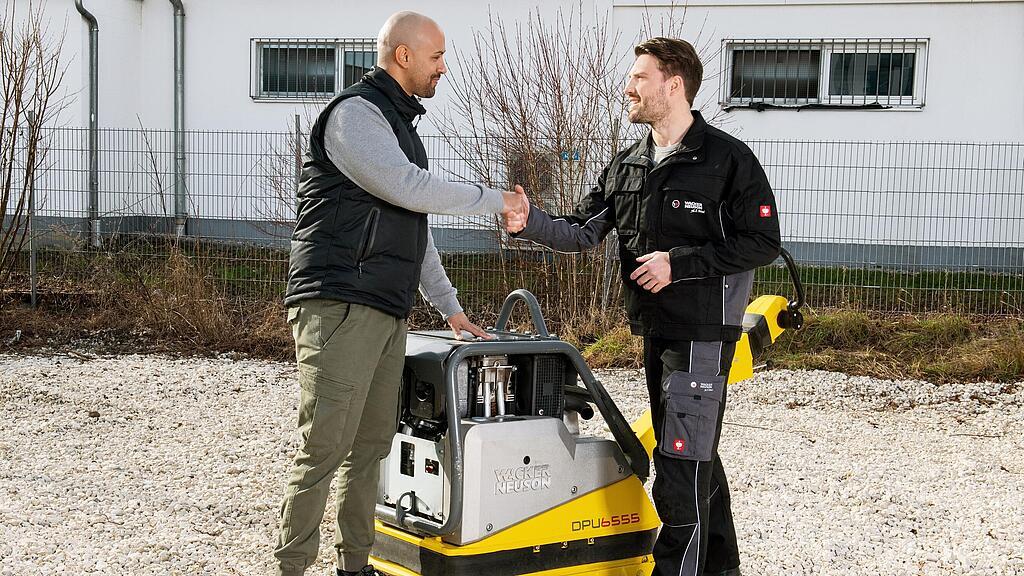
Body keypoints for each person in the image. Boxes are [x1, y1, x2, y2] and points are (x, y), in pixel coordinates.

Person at [506, 37, 781, 576]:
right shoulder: (628, 163)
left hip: (702, 335)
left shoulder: (727, 160)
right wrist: (529, 221)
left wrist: (679, 263)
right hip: (655, 331)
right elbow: (583, 230)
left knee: (680, 467)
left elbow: (762, 242)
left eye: (639, 77)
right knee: (693, 457)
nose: (627, 87)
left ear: (672, 85)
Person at [274, 11, 524, 576]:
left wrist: (451, 309)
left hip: (385, 308)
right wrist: (497, 201)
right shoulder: (355, 115)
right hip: (340, 302)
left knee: (372, 447)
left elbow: (415, 232)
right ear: (403, 56)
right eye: (436, 57)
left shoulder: (400, 127)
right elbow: (408, 188)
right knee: (324, 446)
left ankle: (354, 565)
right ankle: (291, 567)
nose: (444, 68)